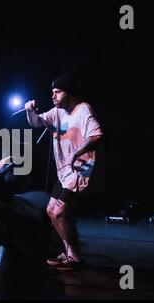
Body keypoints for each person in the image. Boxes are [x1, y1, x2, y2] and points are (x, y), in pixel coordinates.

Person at [25, 74, 104, 270]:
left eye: (57, 92)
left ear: (69, 93)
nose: (53, 96)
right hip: (64, 172)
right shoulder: (57, 112)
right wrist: (30, 110)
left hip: (80, 170)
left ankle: (74, 257)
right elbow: (35, 123)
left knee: (60, 211)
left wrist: (78, 152)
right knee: (52, 211)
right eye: (52, 92)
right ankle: (72, 254)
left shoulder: (83, 110)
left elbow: (97, 135)